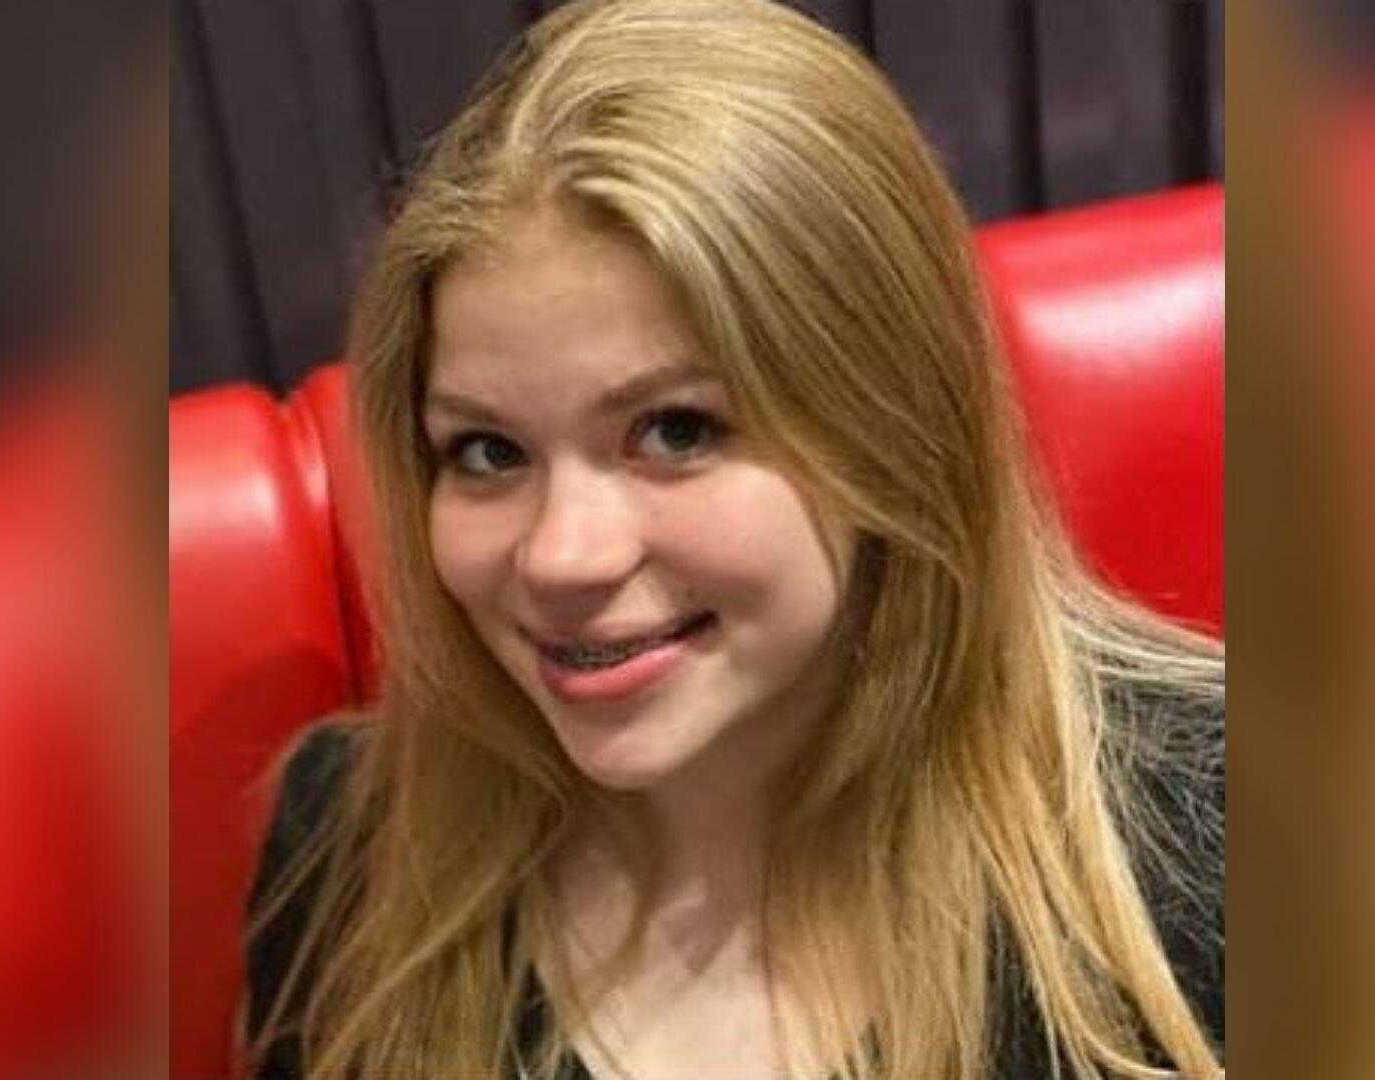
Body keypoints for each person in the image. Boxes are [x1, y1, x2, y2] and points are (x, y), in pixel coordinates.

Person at [243, 0, 1223, 1076]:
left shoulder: (1225, 837)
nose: (562, 556)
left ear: (893, 432)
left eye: (677, 431)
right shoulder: (353, 850)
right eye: (487, 452)